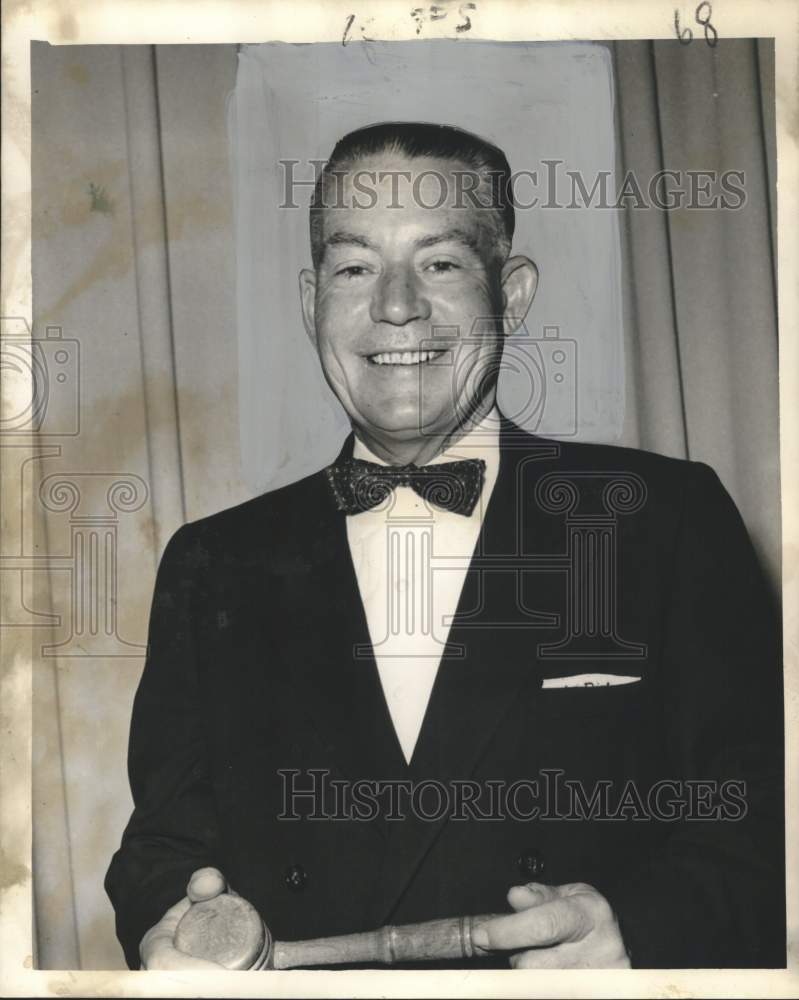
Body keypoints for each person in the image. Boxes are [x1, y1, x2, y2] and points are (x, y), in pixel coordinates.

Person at [106, 122, 785, 971]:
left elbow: (765, 811)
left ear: (513, 291)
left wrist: (640, 931)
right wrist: (166, 921)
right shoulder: (211, 562)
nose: (395, 305)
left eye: (439, 263)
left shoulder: (663, 517)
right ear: (312, 300)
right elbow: (163, 839)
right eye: (355, 267)